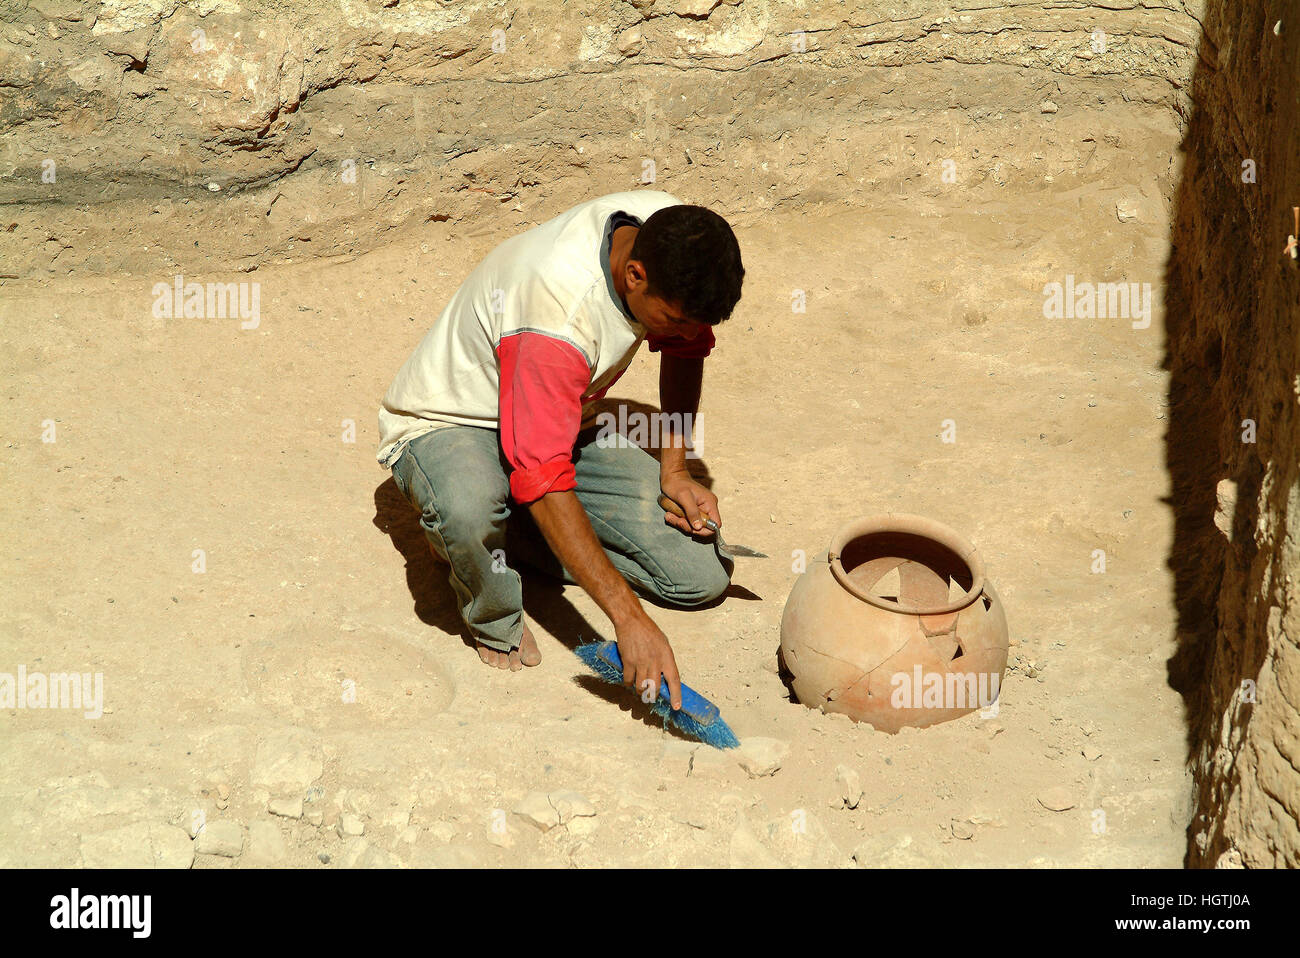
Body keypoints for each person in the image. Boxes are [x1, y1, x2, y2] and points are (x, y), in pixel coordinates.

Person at [377, 190, 745, 709]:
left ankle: (517, 520)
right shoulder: (556, 312)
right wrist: (628, 617)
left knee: (699, 577)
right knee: (470, 509)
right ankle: (484, 583)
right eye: (676, 321)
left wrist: (675, 470)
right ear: (634, 275)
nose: (685, 335)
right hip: (453, 422)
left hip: (558, 418)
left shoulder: (672, 235)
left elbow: (685, 352)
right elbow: (545, 475)